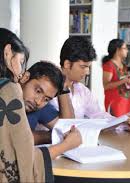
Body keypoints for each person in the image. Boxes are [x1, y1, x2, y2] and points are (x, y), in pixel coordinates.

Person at [0, 28, 82, 182]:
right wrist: (64, 146)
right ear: (7, 52)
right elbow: (19, 161)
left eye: (46, 99)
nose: (19, 73)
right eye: (21, 62)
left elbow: (66, 124)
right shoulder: (8, 92)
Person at [50, 36, 130, 133]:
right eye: (83, 67)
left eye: (88, 67)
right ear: (67, 64)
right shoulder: (48, 91)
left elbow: (99, 115)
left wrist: (124, 123)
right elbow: (60, 127)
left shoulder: (82, 90)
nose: (87, 72)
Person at [20, 61, 75, 144]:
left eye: (46, 99)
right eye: (38, 91)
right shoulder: (5, 93)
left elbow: (67, 128)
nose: (38, 102)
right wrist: (52, 136)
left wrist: (63, 87)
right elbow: (15, 139)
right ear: (25, 78)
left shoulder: (37, 106)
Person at [102, 39, 130, 117]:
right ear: (118, 50)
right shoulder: (109, 65)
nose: (127, 51)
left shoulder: (123, 65)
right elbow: (106, 86)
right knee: (115, 127)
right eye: (125, 48)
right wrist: (123, 81)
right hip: (115, 104)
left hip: (126, 103)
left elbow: (124, 84)